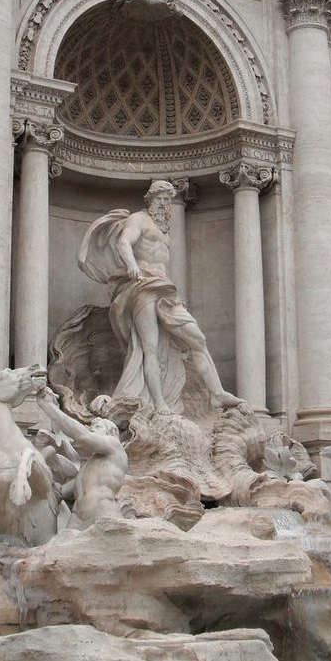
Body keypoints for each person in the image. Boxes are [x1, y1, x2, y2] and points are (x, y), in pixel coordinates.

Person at [78, 180, 243, 415]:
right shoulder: (139, 219)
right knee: (150, 347)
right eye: (160, 198)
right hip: (142, 286)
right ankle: (158, 403)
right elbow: (124, 242)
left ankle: (217, 394)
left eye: (168, 199)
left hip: (164, 290)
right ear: (150, 199)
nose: (165, 203)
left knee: (197, 338)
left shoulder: (164, 229)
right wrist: (132, 265)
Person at [35, 387, 128, 526]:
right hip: (77, 517)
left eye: (96, 427)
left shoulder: (115, 447)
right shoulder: (92, 465)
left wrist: (48, 407)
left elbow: (83, 437)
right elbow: (61, 492)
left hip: (101, 511)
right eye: (91, 427)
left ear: (112, 432)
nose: (91, 429)